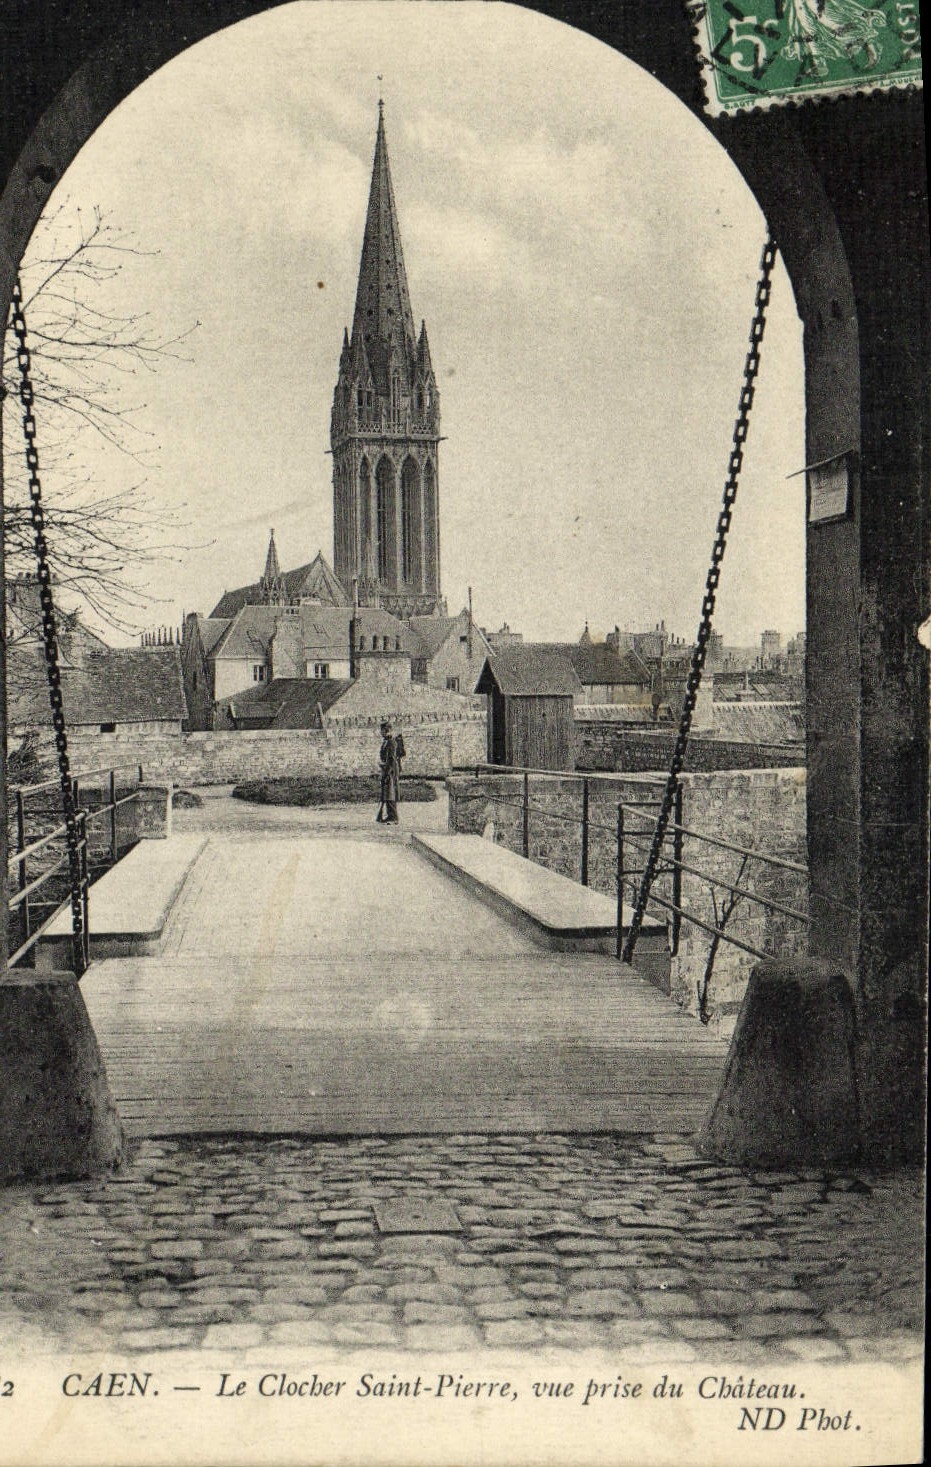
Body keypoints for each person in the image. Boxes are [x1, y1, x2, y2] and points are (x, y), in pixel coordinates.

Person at [376, 721, 405, 823]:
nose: (381, 733)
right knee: (387, 793)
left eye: (382, 730)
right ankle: (389, 815)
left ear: (386, 730)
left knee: (390, 793)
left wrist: (387, 772)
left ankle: (394, 817)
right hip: (387, 769)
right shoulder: (387, 741)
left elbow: (391, 759)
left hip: (391, 770)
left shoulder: (392, 742)